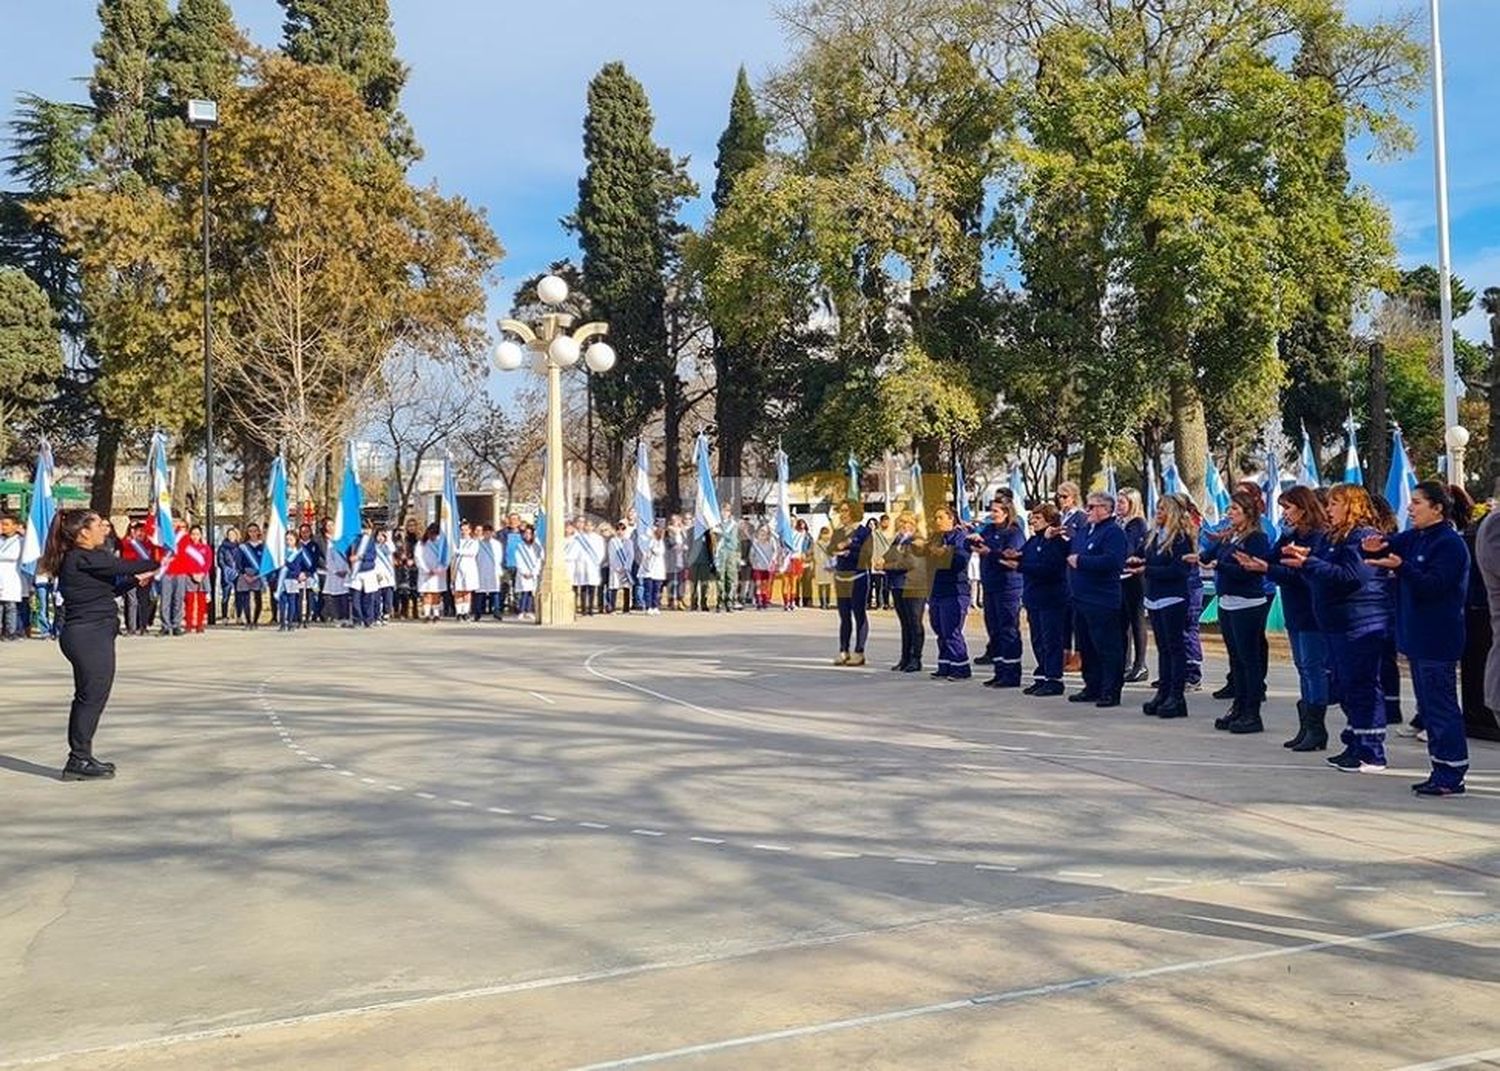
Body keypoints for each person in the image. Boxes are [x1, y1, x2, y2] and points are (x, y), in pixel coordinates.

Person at [1361, 481, 1471, 796]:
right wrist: (1368, 546)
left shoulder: (1449, 544)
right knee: (1428, 705)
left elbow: (1434, 585)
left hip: (1439, 638)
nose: (1410, 508)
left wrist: (1402, 567)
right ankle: (1440, 769)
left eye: (1418, 502)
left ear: (1437, 508)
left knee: (1441, 706)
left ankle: (1452, 772)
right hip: (1416, 637)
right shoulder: (1415, 537)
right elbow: (1385, 545)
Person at [1280, 483, 1391, 773]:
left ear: (1351, 506)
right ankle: (1354, 742)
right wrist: (1305, 561)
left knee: (1362, 685)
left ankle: (1371, 751)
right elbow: (1321, 569)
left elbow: (1351, 576)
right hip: (1336, 624)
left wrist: (1309, 562)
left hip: (1359, 622)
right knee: (1344, 685)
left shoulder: (1364, 537)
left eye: (1334, 504)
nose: (1328, 509)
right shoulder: (1334, 537)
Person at [42, 509, 160, 780]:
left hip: (90, 634)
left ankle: (82, 756)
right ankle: (78, 759)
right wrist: (159, 558)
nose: (105, 528)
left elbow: (107, 589)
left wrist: (133, 580)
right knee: (91, 697)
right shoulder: (83, 556)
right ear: (83, 532)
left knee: (89, 696)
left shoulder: (83, 560)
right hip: (88, 636)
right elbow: (122, 566)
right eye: (98, 524)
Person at [1241, 486, 1332, 751]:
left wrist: (1268, 568)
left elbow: (1302, 573)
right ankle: (1306, 726)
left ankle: (1317, 728)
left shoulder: (1317, 537)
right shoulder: (1290, 535)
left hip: (1311, 610)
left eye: (1288, 508)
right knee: (1302, 667)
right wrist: (1253, 560)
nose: (1285, 514)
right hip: (1294, 608)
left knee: (1313, 668)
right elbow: (1272, 558)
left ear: (1303, 509)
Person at [1203, 490, 1273, 734]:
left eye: (1234, 509)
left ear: (1247, 513)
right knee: (1236, 659)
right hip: (1228, 602)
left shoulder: (1257, 539)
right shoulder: (1230, 537)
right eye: (1229, 509)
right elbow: (1206, 555)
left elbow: (1251, 571)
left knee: (1248, 659)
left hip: (1247, 603)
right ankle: (1239, 706)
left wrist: (1220, 565)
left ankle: (1252, 712)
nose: (1229, 513)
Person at [1132, 494, 1197, 719]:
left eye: (1163, 510)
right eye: (1157, 509)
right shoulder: (1153, 536)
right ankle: (1164, 691)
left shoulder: (1180, 538)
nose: (1158, 514)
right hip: (1154, 597)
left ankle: (1176, 697)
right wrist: (1138, 561)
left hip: (1173, 598)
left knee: (1174, 647)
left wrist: (1147, 571)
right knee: (1163, 648)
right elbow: (1146, 558)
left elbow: (1179, 571)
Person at [1067, 492, 1128, 707]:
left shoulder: (1113, 533)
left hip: (1102, 599)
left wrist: (1082, 561)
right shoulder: (1085, 531)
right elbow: (1071, 551)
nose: (1089, 510)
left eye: (1093, 507)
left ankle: (1110, 689)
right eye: (1088, 506)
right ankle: (1092, 685)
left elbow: (1113, 561)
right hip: (1081, 597)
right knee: (1087, 645)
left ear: (1106, 509)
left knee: (1107, 647)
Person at [972, 497, 1025, 688]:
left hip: (1008, 586)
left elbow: (1012, 556)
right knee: (994, 629)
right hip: (991, 585)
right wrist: (973, 541)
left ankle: (1011, 673)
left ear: (1006, 512)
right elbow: (974, 543)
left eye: (996, 511)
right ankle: (1000, 670)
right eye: (991, 510)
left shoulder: (1013, 532)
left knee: (1008, 629)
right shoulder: (989, 529)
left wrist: (990, 553)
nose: (992, 514)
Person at [1016, 503, 1069, 696]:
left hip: (1051, 598)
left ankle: (1054, 679)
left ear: (1049, 520)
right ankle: (1042, 675)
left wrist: (1022, 567)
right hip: (1033, 598)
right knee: (1038, 639)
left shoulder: (1056, 542)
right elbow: (1022, 558)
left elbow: (1049, 568)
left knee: (1051, 640)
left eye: (1037, 518)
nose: (1032, 521)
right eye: (1032, 517)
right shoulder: (1033, 541)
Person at [920, 506, 972, 679]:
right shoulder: (936, 538)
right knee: (939, 629)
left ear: (952, 519)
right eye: (935, 518)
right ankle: (945, 665)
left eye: (941, 517)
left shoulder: (960, 537)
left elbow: (960, 561)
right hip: (937, 589)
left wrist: (943, 553)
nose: (937, 521)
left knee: (951, 630)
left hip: (955, 590)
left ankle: (961, 667)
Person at [883, 511, 928, 672]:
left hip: (914, 586)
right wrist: (881, 561)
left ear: (914, 525)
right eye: (901, 522)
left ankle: (916, 658)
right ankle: (905, 657)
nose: (904, 525)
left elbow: (910, 563)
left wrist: (886, 566)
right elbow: (887, 556)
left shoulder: (917, 541)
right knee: (905, 624)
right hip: (898, 585)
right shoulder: (898, 540)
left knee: (915, 622)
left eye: (908, 523)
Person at [829, 500, 872, 665]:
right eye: (841, 511)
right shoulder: (838, 531)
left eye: (846, 510)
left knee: (859, 614)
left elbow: (866, 554)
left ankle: (859, 651)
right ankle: (843, 650)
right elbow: (831, 549)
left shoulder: (864, 532)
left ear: (854, 511)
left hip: (858, 577)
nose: (843, 514)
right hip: (841, 577)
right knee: (844, 615)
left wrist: (849, 549)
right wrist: (839, 549)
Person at [1116, 489, 1150, 683]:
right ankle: (1125, 662)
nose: (1119, 506)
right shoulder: (1118, 523)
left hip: (1134, 577)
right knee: (1122, 622)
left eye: (1122, 503)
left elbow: (1128, 548)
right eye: (1118, 502)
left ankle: (1140, 664)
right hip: (1120, 577)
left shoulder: (1137, 524)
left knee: (1136, 621)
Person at [1055, 481, 1087, 672]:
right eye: (1058, 496)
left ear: (1074, 497)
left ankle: (1080, 654)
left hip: (1074, 571)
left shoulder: (1080, 517)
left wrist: (1068, 534)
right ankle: (1064, 651)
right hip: (1060, 570)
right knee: (1063, 615)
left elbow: (1080, 540)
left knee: (1076, 615)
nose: (1061, 500)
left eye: (1064, 496)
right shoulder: (1059, 517)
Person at [179, 524, 213, 633]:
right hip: (189, 576)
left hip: (203, 576)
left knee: (202, 603)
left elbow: (208, 562)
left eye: (197, 534)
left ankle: (200, 625)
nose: (195, 536)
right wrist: (192, 573)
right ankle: (188, 624)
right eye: (193, 534)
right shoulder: (186, 548)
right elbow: (184, 562)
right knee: (189, 602)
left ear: (201, 535)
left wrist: (201, 574)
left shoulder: (206, 548)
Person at [235, 525, 266, 628]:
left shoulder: (263, 546)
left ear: (258, 532)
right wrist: (244, 574)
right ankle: (248, 621)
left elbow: (265, 562)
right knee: (245, 599)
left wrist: (258, 575)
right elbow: (238, 562)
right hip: (245, 574)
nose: (253, 533)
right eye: (250, 531)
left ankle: (255, 621)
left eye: (255, 531)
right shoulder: (243, 547)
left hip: (258, 574)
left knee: (258, 598)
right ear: (247, 533)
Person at [415, 523, 446, 622]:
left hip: (438, 572)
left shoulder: (442, 544)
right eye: (431, 533)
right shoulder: (421, 543)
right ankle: (427, 614)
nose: (433, 536)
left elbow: (445, 558)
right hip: (426, 572)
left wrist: (438, 569)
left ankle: (436, 614)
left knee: (436, 593)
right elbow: (418, 557)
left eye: (435, 534)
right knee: (427, 593)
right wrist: (426, 569)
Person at [0, 513, 24, 640]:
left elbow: (13, 555)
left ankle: (10, 631)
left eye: (6, 525)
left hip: (11, 576)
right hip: (1, 575)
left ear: (15, 526)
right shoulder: (1, 539)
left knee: (10, 605)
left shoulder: (19, 540)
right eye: (2, 524)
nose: (3, 527)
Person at [713, 507, 742, 613]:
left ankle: (729, 601)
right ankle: (719, 601)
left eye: (726, 511)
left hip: (730, 554)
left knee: (730, 578)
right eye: (722, 511)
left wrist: (722, 533)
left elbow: (733, 541)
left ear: (729, 513)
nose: (724, 513)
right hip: (720, 554)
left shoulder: (733, 525)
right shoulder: (716, 524)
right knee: (720, 578)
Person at [451, 521, 480, 621]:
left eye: (466, 530)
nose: (464, 532)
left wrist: (459, 551)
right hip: (458, 568)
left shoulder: (474, 542)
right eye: (462, 530)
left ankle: (465, 612)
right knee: (458, 591)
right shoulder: (457, 542)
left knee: (467, 591)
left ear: (470, 530)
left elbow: (472, 553)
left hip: (469, 569)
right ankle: (459, 612)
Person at [515, 524, 542, 621]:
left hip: (533, 572)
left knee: (531, 592)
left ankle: (529, 611)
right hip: (523, 573)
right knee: (524, 592)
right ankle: (521, 611)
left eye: (529, 533)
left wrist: (533, 572)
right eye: (526, 533)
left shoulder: (537, 546)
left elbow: (539, 559)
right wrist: (524, 572)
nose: (527, 535)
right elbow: (518, 560)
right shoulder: (520, 546)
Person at [641, 521, 667, 615]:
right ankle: (648, 606)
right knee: (648, 589)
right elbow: (646, 550)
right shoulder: (648, 541)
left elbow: (659, 552)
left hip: (658, 569)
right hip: (648, 568)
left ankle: (655, 606)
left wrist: (654, 548)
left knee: (656, 590)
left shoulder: (661, 543)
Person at [749, 525, 778, 610]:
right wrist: (753, 563)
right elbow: (751, 554)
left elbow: (775, 551)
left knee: (765, 585)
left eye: (765, 531)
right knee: (758, 585)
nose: (763, 532)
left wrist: (772, 561)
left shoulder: (771, 540)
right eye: (761, 530)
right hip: (758, 567)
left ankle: (765, 601)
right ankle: (759, 602)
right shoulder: (756, 542)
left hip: (767, 566)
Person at [216, 525, 241, 622]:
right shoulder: (223, 547)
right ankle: (224, 617)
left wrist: (239, 570)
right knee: (225, 595)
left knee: (239, 596)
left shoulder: (240, 547)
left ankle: (238, 616)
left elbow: (242, 560)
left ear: (236, 535)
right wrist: (226, 569)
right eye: (229, 534)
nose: (231, 536)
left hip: (238, 574)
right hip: (226, 574)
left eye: (233, 534)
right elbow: (220, 560)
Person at [814, 526, 835, 610]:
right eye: (824, 534)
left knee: (828, 585)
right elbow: (816, 555)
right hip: (820, 567)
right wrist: (821, 563)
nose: (825, 536)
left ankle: (828, 602)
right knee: (821, 585)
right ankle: (822, 602)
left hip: (829, 567)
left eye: (827, 534)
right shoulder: (817, 544)